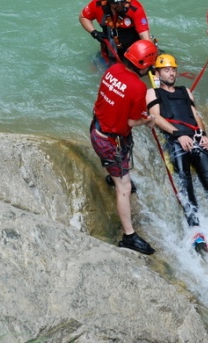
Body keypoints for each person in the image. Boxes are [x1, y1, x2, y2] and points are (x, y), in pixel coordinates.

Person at [145, 54, 208, 251]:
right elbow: (155, 117)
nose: (171, 73)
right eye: (166, 70)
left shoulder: (185, 91)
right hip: (175, 140)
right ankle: (196, 230)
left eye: (173, 69)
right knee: (184, 181)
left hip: (195, 138)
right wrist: (179, 135)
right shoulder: (152, 93)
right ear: (157, 73)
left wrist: (203, 134)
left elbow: (195, 115)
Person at [90, 39, 158, 255]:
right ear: (144, 65)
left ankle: (113, 175)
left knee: (120, 165)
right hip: (109, 139)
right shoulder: (138, 87)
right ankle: (129, 236)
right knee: (125, 187)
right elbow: (131, 122)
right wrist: (147, 120)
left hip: (99, 127)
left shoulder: (114, 69)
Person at [79, 0, 151, 65]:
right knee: (94, 66)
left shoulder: (135, 8)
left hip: (134, 50)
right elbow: (83, 17)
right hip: (111, 51)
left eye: (123, 1)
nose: (120, 5)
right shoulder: (98, 5)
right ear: (108, 0)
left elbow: (145, 37)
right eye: (116, 3)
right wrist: (94, 33)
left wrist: (149, 60)